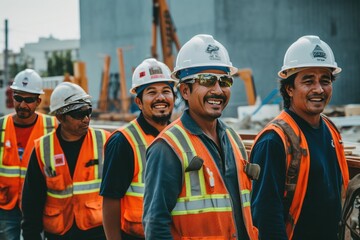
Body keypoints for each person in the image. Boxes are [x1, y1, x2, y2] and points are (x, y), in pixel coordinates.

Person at [143, 34, 259, 240]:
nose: (218, 90)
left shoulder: (233, 139)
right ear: (185, 91)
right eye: (207, 80)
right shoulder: (167, 148)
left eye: (224, 81)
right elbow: (155, 225)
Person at [250, 35, 349, 240]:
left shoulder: (330, 130)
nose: (319, 89)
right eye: (308, 81)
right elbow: (266, 217)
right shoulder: (274, 141)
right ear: (289, 88)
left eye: (325, 80)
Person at [21, 82, 110, 240]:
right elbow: (32, 202)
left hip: (97, 232)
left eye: (88, 111)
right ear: (60, 116)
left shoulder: (104, 141)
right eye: (79, 114)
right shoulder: (43, 148)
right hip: (59, 234)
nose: (86, 118)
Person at [100, 58, 177, 240]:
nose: (160, 98)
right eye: (151, 92)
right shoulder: (123, 141)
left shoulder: (180, 136)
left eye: (166, 91)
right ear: (139, 102)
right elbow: (111, 200)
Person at [0, 69, 57, 240]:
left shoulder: (52, 126)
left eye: (29, 100)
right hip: (5, 207)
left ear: (38, 101)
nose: (22, 105)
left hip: (39, 206)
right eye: (18, 98)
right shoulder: (1, 127)